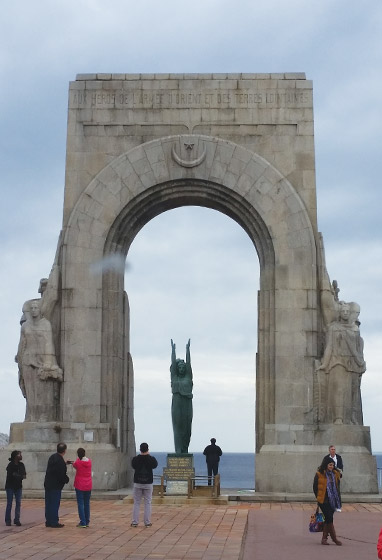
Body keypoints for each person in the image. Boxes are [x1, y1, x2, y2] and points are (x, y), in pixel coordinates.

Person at [316, 300, 366, 425]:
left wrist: (361, 363)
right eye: (342, 311)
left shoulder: (355, 329)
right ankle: (338, 418)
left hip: (352, 363)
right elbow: (329, 347)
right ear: (339, 313)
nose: (344, 313)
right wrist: (324, 364)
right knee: (338, 389)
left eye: (347, 311)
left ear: (349, 313)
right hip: (337, 362)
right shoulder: (333, 328)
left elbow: (358, 349)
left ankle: (349, 418)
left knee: (350, 392)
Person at [15, 299, 63, 422]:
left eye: (36, 308)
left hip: (41, 362)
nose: (34, 310)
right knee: (30, 391)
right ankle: (31, 416)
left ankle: (44, 416)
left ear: (40, 310)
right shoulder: (25, 326)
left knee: (43, 392)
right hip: (27, 360)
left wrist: (48, 363)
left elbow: (49, 343)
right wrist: (19, 357)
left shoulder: (46, 324)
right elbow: (22, 344)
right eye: (31, 308)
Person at [313, 456, 342, 546]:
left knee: (328, 519)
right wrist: (319, 497)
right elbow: (315, 487)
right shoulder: (319, 474)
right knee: (329, 517)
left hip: (333, 500)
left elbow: (338, 487)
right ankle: (334, 538)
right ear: (326, 465)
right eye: (330, 465)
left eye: (333, 465)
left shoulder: (335, 474)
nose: (331, 466)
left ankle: (324, 539)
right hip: (323, 500)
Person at [170, 339, 193, 453]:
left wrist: (187, 350)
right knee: (177, 426)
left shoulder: (188, 377)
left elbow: (188, 364)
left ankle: (185, 449)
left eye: (183, 367)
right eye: (180, 367)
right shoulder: (174, 377)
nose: (182, 368)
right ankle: (178, 450)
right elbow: (173, 365)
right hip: (177, 402)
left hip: (187, 403)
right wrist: (173, 351)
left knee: (187, 428)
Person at [131, 443, 158, 528]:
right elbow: (155, 465)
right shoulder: (151, 459)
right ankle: (147, 522)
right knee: (147, 503)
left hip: (138, 483)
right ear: (147, 449)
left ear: (140, 449)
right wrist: (148, 455)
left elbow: (133, 465)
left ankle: (135, 522)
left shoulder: (135, 459)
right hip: (148, 483)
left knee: (137, 502)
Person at [44, 442, 70, 528]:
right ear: (64, 451)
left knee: (48, 503)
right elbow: (61, 474)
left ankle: (48, 521)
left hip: (48, 484)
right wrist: (67, 479)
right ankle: (54, 522)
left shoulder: (53, 457)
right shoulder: (60, 461)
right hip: (55, 485)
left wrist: (64, 463)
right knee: (55, 504)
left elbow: (54, 468)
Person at [4, 450, 26, 527]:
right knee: (9, 503)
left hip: (18, 487)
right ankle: (8, 520)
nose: (21, 456)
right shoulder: (10, 465)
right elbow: (12, 475)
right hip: (10, 486)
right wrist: (18, 476)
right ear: (16, 456)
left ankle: (17, 520)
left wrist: (18, 476)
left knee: (18, 503)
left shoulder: (21, 465)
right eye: (20, 454)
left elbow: (23, 476)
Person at [72, 447, 92, 528]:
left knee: (80, 503)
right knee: (87, 503)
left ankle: (82, 522)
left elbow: (75, 465)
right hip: (88, 484)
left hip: (80, 484)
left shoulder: (78, 462)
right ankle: (87, 521)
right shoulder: (89, 461)